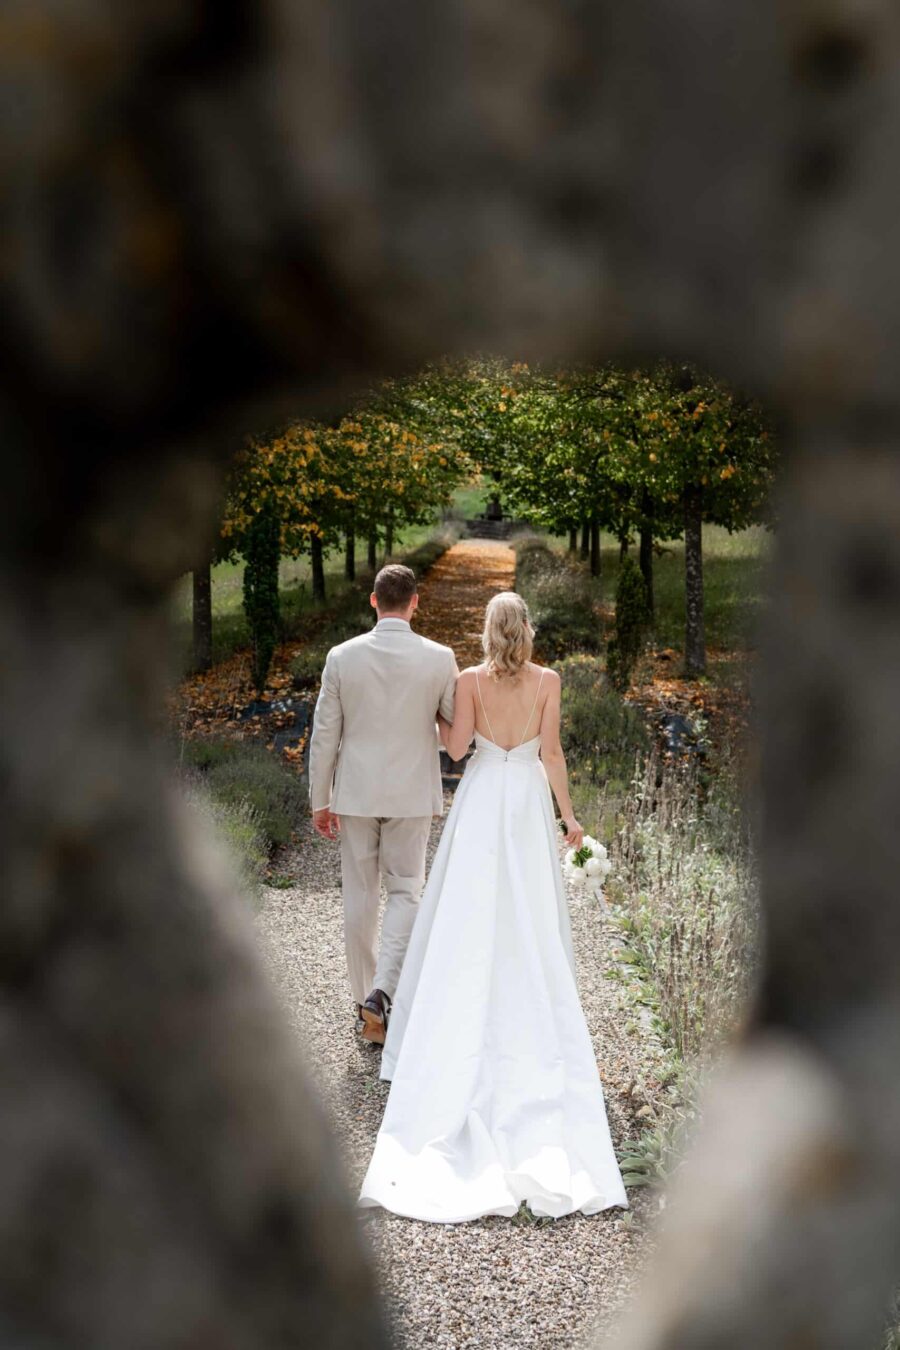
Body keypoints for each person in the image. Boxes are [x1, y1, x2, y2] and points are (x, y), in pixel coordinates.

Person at [359, 591, 628, 1221]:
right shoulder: (549, 680)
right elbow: (553, 754)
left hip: (483, 799)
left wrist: (433, 714)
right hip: (525, 800)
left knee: (466, 911)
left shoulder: (468, 679)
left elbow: (455, 753)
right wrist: (570, 820)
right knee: (527, 913)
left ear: (487, 630)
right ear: (527, 629)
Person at [308, 564, 458, 1043]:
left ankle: (364, 1004)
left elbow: (324, 734)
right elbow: (456, 726)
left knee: (360, 897)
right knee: (405, 891)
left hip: (354, 793)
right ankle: (383, 993)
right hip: (412, 794)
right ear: (415, 603)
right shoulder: (440, 659)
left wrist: (320, 799)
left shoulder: (341, 657)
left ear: (373, 601)